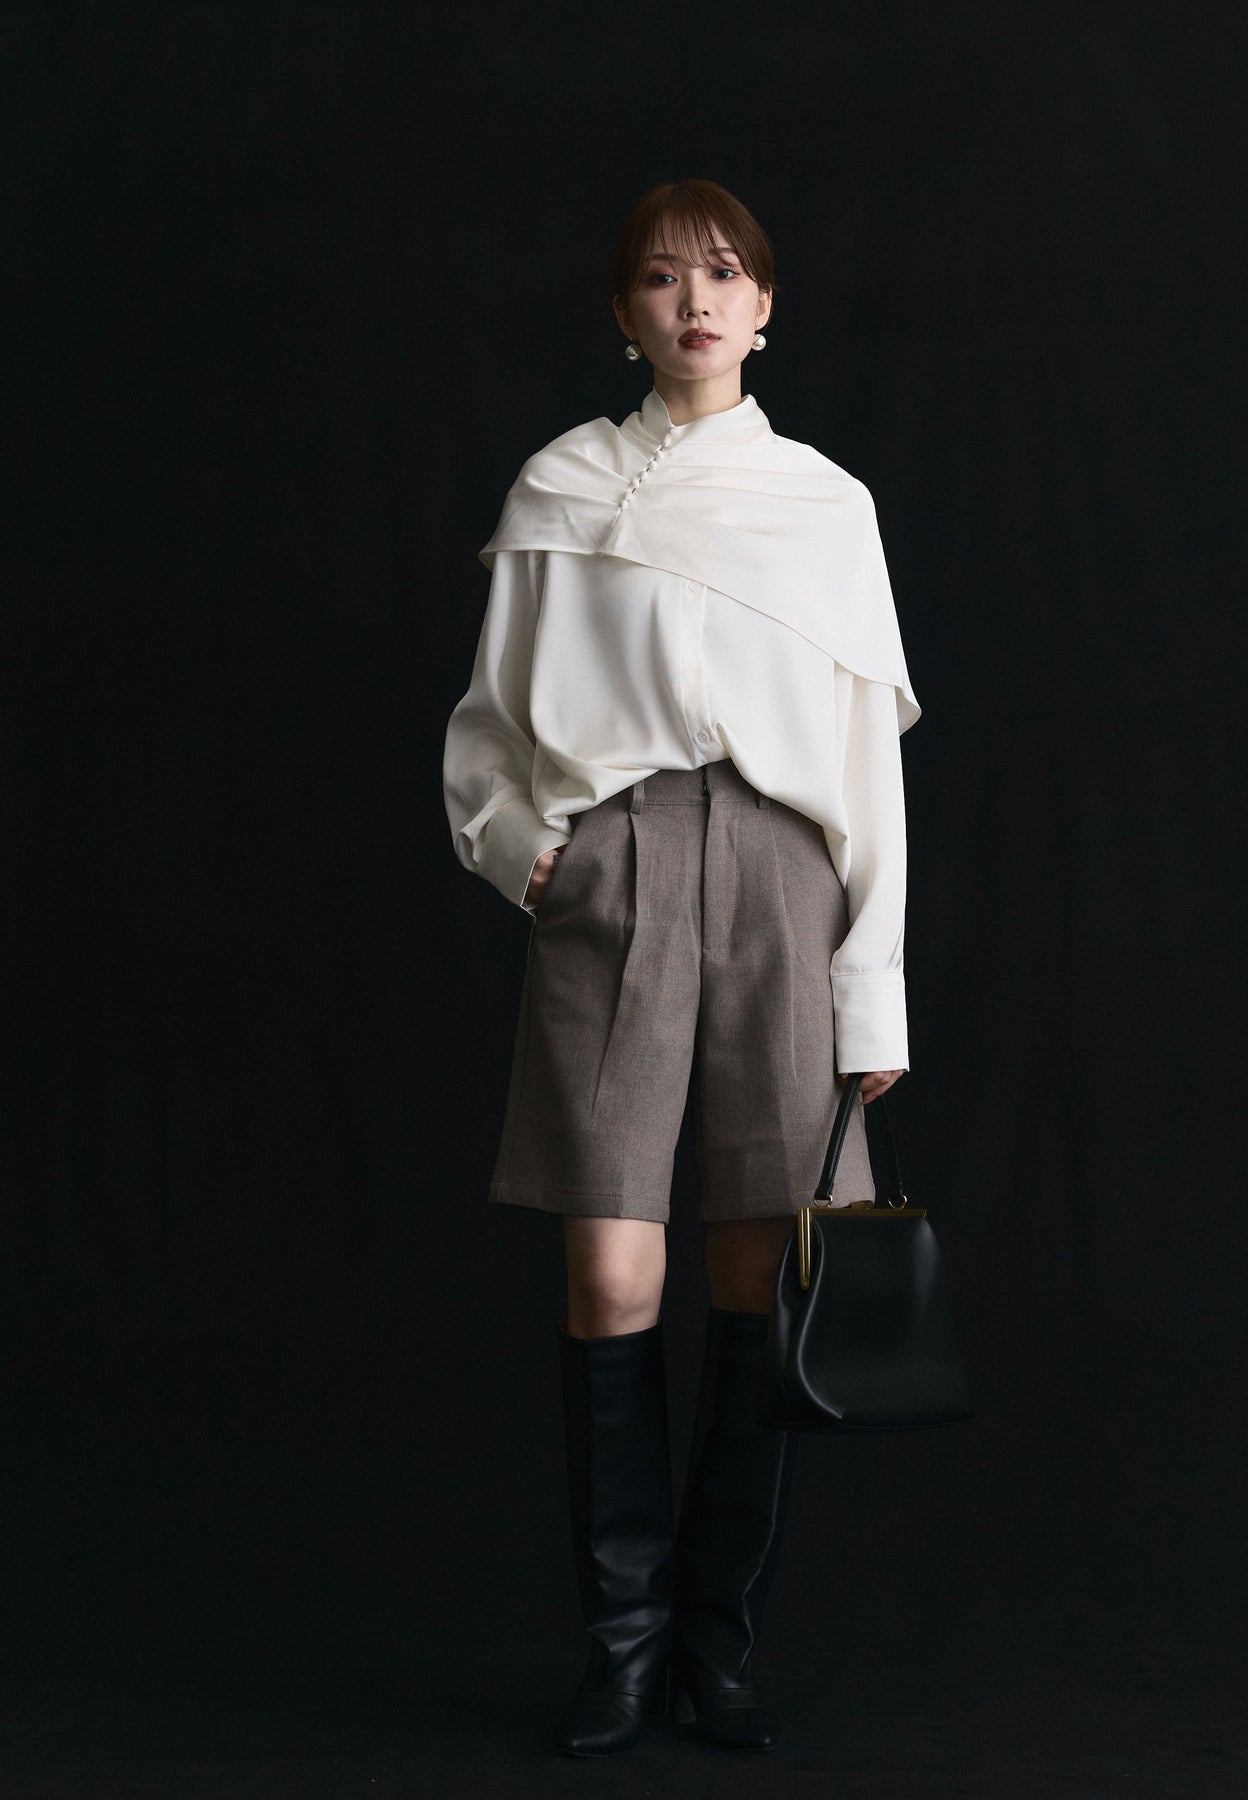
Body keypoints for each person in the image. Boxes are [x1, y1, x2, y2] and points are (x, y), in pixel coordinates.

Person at [442, 178, 920, 1758]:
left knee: (749, 1275)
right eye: (661, 278)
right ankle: (622, 1644)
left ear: (765, 307)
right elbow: (489, 728)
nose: (694, 302)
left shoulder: (824, 505)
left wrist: (871, 990)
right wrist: (528, 851)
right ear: (623, 311)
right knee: (610, 1273)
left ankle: (716, 1643)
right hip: (616, 869)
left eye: (723, 275)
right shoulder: (561, 487)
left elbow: (863, 768)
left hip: (784, 879)